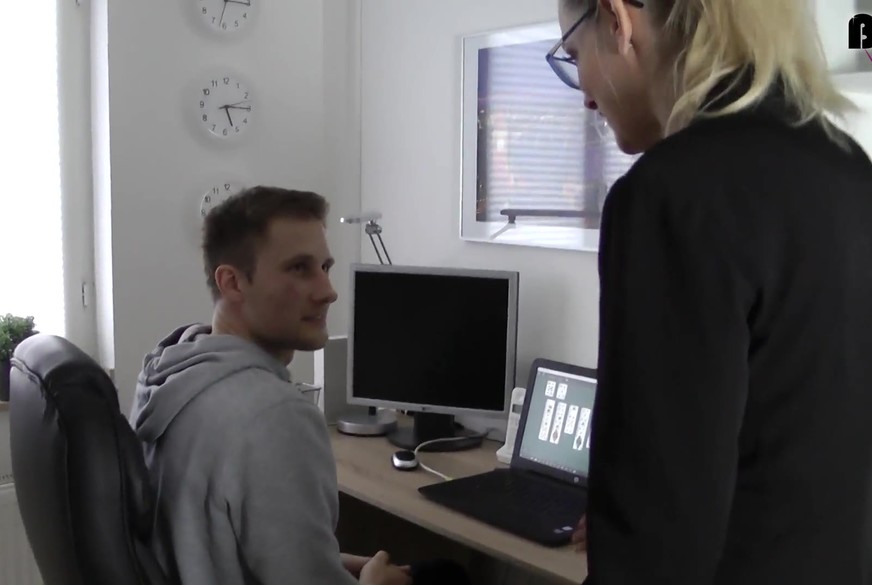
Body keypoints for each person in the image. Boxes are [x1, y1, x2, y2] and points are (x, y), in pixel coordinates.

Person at [547, 0, 872, 583]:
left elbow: (654, 545)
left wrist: (632, 519)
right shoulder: (851, 170)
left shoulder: (671, 194)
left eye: (573, 55)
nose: (586, 95)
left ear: (618, 20)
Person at [129, 187, 468, 585]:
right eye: (299, 269)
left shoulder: (170, 374)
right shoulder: (275, 416)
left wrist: (328, 562)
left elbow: (220, 542)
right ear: (233, 283)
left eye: (325, 267)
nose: (328, 291)